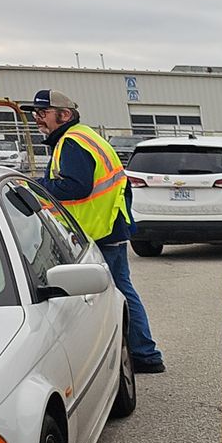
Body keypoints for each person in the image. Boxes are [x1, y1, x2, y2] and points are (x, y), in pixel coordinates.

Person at [27, 89, 164, 373]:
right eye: (35, 113)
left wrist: (36, 186)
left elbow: (76, 187)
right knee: (120, 289)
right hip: (106, 225)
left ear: (64, 115)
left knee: (113, 292)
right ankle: (143, 354)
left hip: (98, 230)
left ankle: (143, 355)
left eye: (43, 113)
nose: (37, 118)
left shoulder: (72, 142)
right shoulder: (81, 136)